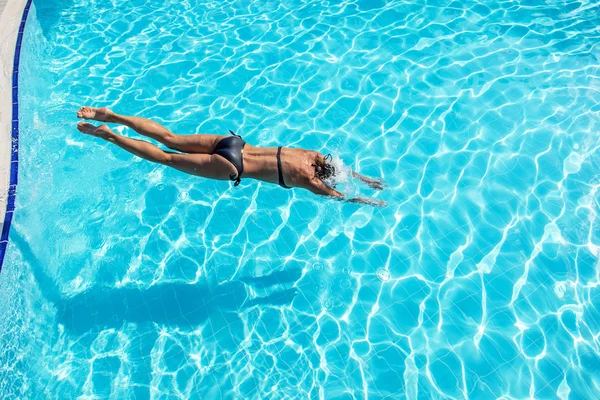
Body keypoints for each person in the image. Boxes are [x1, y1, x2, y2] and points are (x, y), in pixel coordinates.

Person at [76, 107, 386, 206]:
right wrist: (370, 200)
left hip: (234, 144)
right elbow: (341, 196)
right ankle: (110, 135)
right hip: (233, 166)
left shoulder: (311, 155)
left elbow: (339, 169)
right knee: (166, 158)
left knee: (169, 137)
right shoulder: (311, 181)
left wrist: (365, 177)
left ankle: (113, 115)